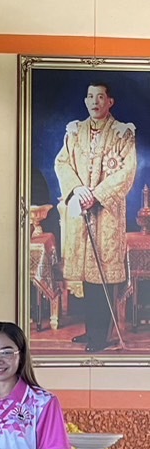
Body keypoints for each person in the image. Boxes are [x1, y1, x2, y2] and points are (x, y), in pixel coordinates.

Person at [54, 82, 138, 352]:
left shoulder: (123, 132)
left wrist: (97, 195)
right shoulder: (75, 131)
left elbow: (127, 171)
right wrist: (77, 189)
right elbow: (62, 162)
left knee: (103, 276)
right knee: (87, 277)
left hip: (107, 215)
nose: (94, 101)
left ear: (109, 101)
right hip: (81, 211)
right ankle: (92, 331)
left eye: (100, 97)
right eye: (90, 96)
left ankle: (101, 336)